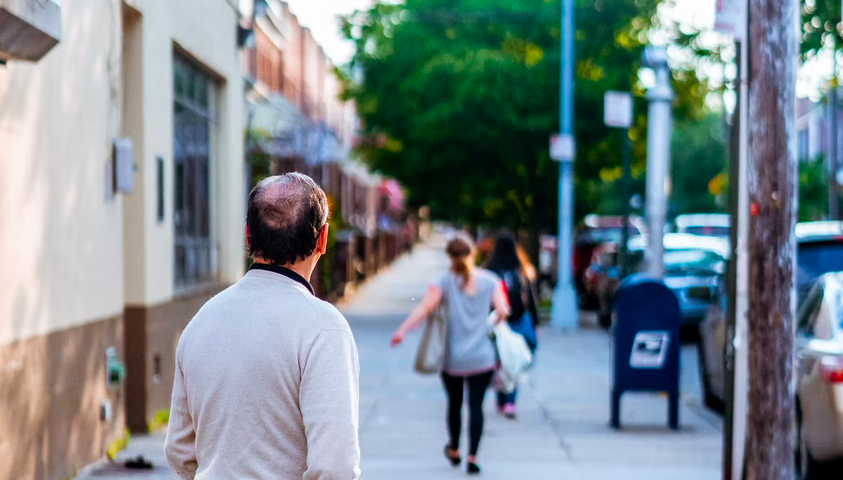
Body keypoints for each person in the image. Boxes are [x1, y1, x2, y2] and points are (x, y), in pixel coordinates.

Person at [165, 173, 361, 480]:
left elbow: (179, 450)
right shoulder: (323, 329)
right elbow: (334, 466)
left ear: (247, 236)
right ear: (322, 238)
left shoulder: (200, 322)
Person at [391, 235, 510, 475]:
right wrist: (490, 324)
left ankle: (454, 449)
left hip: (452, 359)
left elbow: (424, 308)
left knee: (454, 405)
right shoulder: (490, 281)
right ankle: (473, 457)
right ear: (472, 254)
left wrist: (402, 330)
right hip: (482, 358)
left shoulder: (443, 281)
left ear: (449, 257)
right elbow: (503, 310)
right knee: (476, 407)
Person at [484, 233, 539, 419]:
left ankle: (500, 399)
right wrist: (536, 324)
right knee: (513, 360)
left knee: (500, 360)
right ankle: (510, 402)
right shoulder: (521, 269)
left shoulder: (490, 269)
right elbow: (531, 299)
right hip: (517, 320)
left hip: (497, 321)